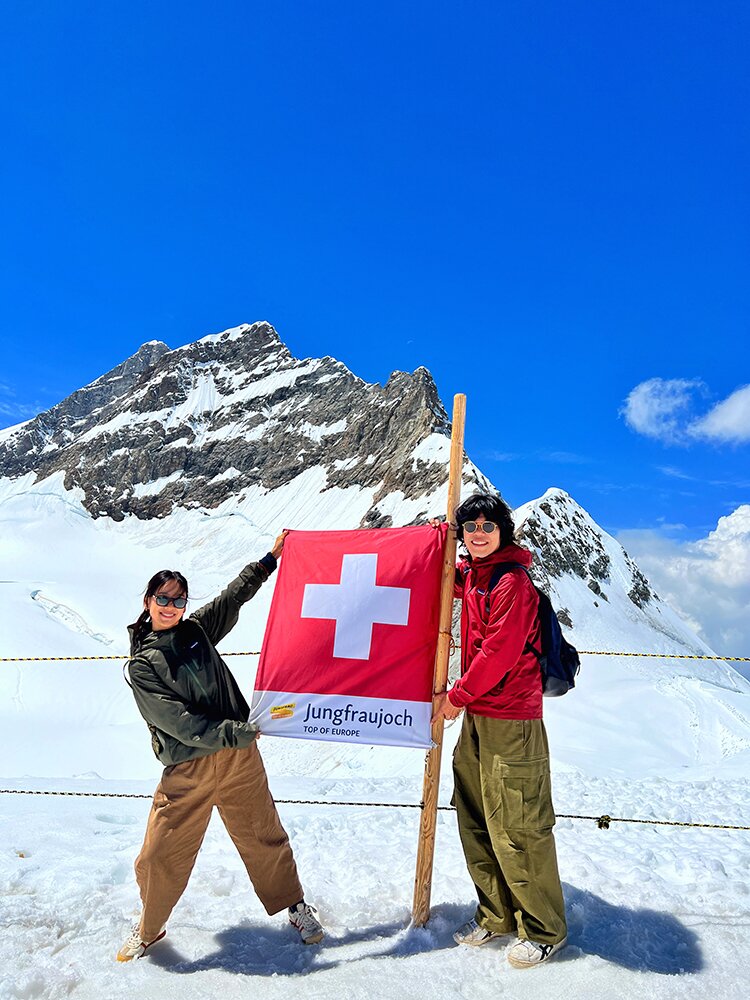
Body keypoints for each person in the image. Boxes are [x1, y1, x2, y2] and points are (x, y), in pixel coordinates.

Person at [117, 530, 324, 962]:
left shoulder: (196, 631)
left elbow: (233, 598)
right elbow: (176, 722)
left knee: (264, 836)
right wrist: (234, 731)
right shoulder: (141, 666)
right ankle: (149, 928)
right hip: (188, 770)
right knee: (158, 854)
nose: (172, 607)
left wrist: (270, 560)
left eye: (179, 600)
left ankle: (296, 907)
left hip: (238, 762)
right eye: (164, 598)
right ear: (148, 601)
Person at [432, 493, 567, 969]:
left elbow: (499, 652)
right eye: (470, 527)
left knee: (519, 827)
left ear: (504, 531)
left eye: (488, 525)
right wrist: (438, 543)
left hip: (512, 721)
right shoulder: (474, 575)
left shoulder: (512, 583)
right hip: (478, 719)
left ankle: (545, 928)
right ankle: (497, 914)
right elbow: (443, 581)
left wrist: (455, 698)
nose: (479, 533)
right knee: (476, 818)